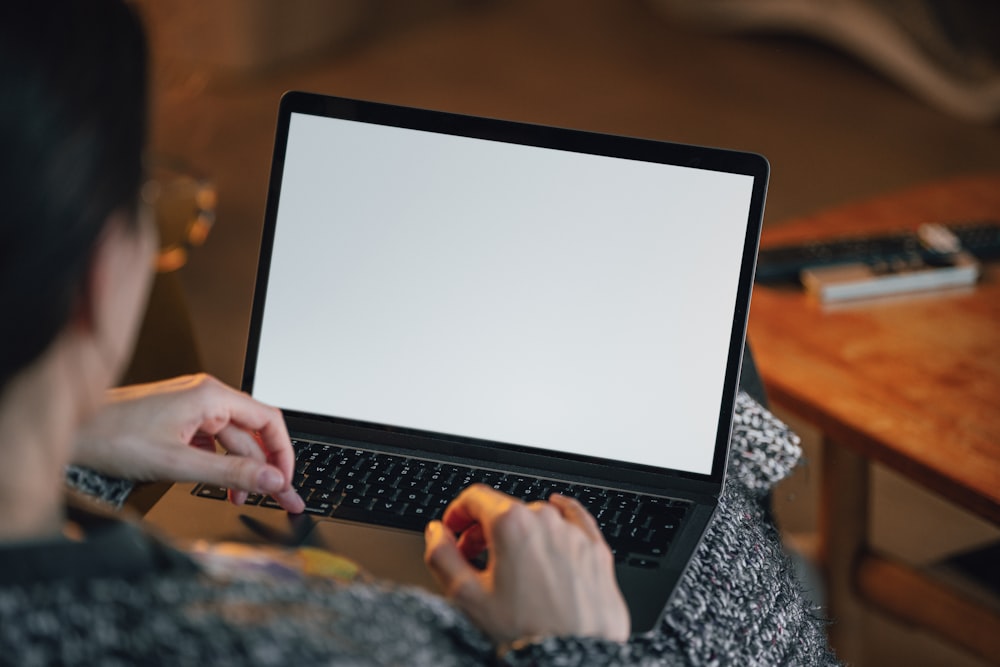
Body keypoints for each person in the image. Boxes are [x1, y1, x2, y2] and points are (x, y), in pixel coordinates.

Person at [0, 2, 839, 665]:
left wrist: (67, 429)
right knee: (719, 432)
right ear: (97, 282)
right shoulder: (267, 641)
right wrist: (566, 647)